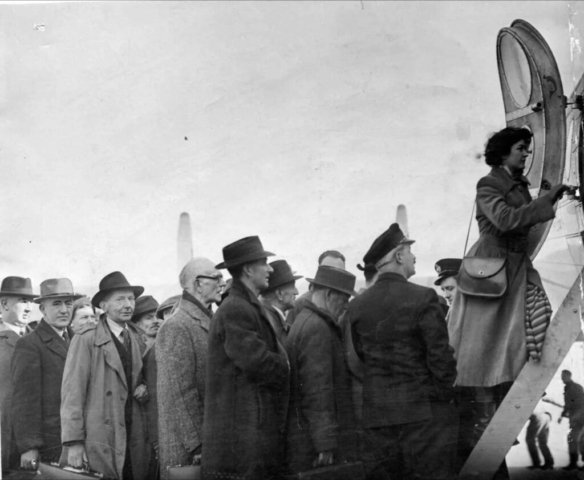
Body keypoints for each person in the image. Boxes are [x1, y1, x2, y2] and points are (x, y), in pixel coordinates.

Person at [447, 128, 568, 470]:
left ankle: (498, 414)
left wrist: (544, 200)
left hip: (514, 269)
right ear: (503, 153)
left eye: (527, 149)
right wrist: (545, 203)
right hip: (493, 270)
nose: (526, 154)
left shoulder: (516, 185)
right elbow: (503, 220)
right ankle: (485, 421)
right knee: (485, 349)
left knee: (524, 331)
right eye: (521, 148)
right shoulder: (488, 184)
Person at [349, 224, 457, 479]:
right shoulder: (424, 297)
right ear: (398, 256)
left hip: (377, 418)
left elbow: (360, 356)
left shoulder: (358, 305)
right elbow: (441, 359)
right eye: (409, 251)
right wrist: (440, 399)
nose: (414, 256)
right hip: (422, 418)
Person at [202, 236, 289, 480]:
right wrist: (287, 364)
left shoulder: (243, 305)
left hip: (249, 432)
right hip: (244, 437)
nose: (271, 268)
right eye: (265, 262)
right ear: (249, 269)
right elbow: (256, 362)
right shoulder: (236, 308)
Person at [60, 271, 150, 480]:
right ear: (104, 305)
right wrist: (74, 443)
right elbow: (72, 394)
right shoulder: (86, 340)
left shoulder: (137, 338)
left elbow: (137, 375)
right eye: (120, 299)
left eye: (131, 299)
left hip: (132, 432)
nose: (128, 305)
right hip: (101, 437)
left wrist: (143, 384)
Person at [285, 265, 358, 474]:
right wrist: (325, 442)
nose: (346, 305)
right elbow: (317, 391)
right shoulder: (317, 327)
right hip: (313, 444)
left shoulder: (306, 320)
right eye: (344, 299)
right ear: (328, 294)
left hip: (305, 437)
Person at [157, 257, 222, 480]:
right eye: (216, 277)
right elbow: (179, 393)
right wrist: (198, 445)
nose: (222, 282)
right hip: (190, 451)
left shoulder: (208, 319)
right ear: (197, 283)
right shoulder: (177, 325)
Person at [11, 278, 81, 469]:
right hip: (49, 443)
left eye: (68, 304)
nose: (64, 310)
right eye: (56, 304)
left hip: (78, 440)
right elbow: (24, 400)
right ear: (42, 309)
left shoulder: (78, 341)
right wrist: (29, 446)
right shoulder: (29, 344)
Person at [0, 277, 36, 473]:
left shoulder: (36, 338)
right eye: (23, 301)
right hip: (6, 440)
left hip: (37, 439)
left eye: (31, 301)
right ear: (4, 303)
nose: (29, 307)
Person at [286, 250, 346, 325]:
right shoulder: (301, 304)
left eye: (339, 272)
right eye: (328, 270)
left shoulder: (345, 305)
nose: (333, 275)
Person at [259, 259, 302, 344]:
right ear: (279, 294)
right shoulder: (268, 321)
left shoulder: (270, 316)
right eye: (293, 287)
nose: (297, 292)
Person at [559, 370, 584, 470]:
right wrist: (562, 415)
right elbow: (568, 404)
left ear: (568, 376)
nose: (561, 378)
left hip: (580, 417)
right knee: (575, 440)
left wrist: (578, 415)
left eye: (563, 376)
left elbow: (582, 403)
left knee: (575, 439)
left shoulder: (576, 387)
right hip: (575, 417)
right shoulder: (567, 388)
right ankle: (573, 462)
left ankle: (573, 463)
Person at [526, 401, 553, 470]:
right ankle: (549, 462)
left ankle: (536, 463)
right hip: (546, 416)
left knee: (530, 440)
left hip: (537, 417)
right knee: (542, 442)